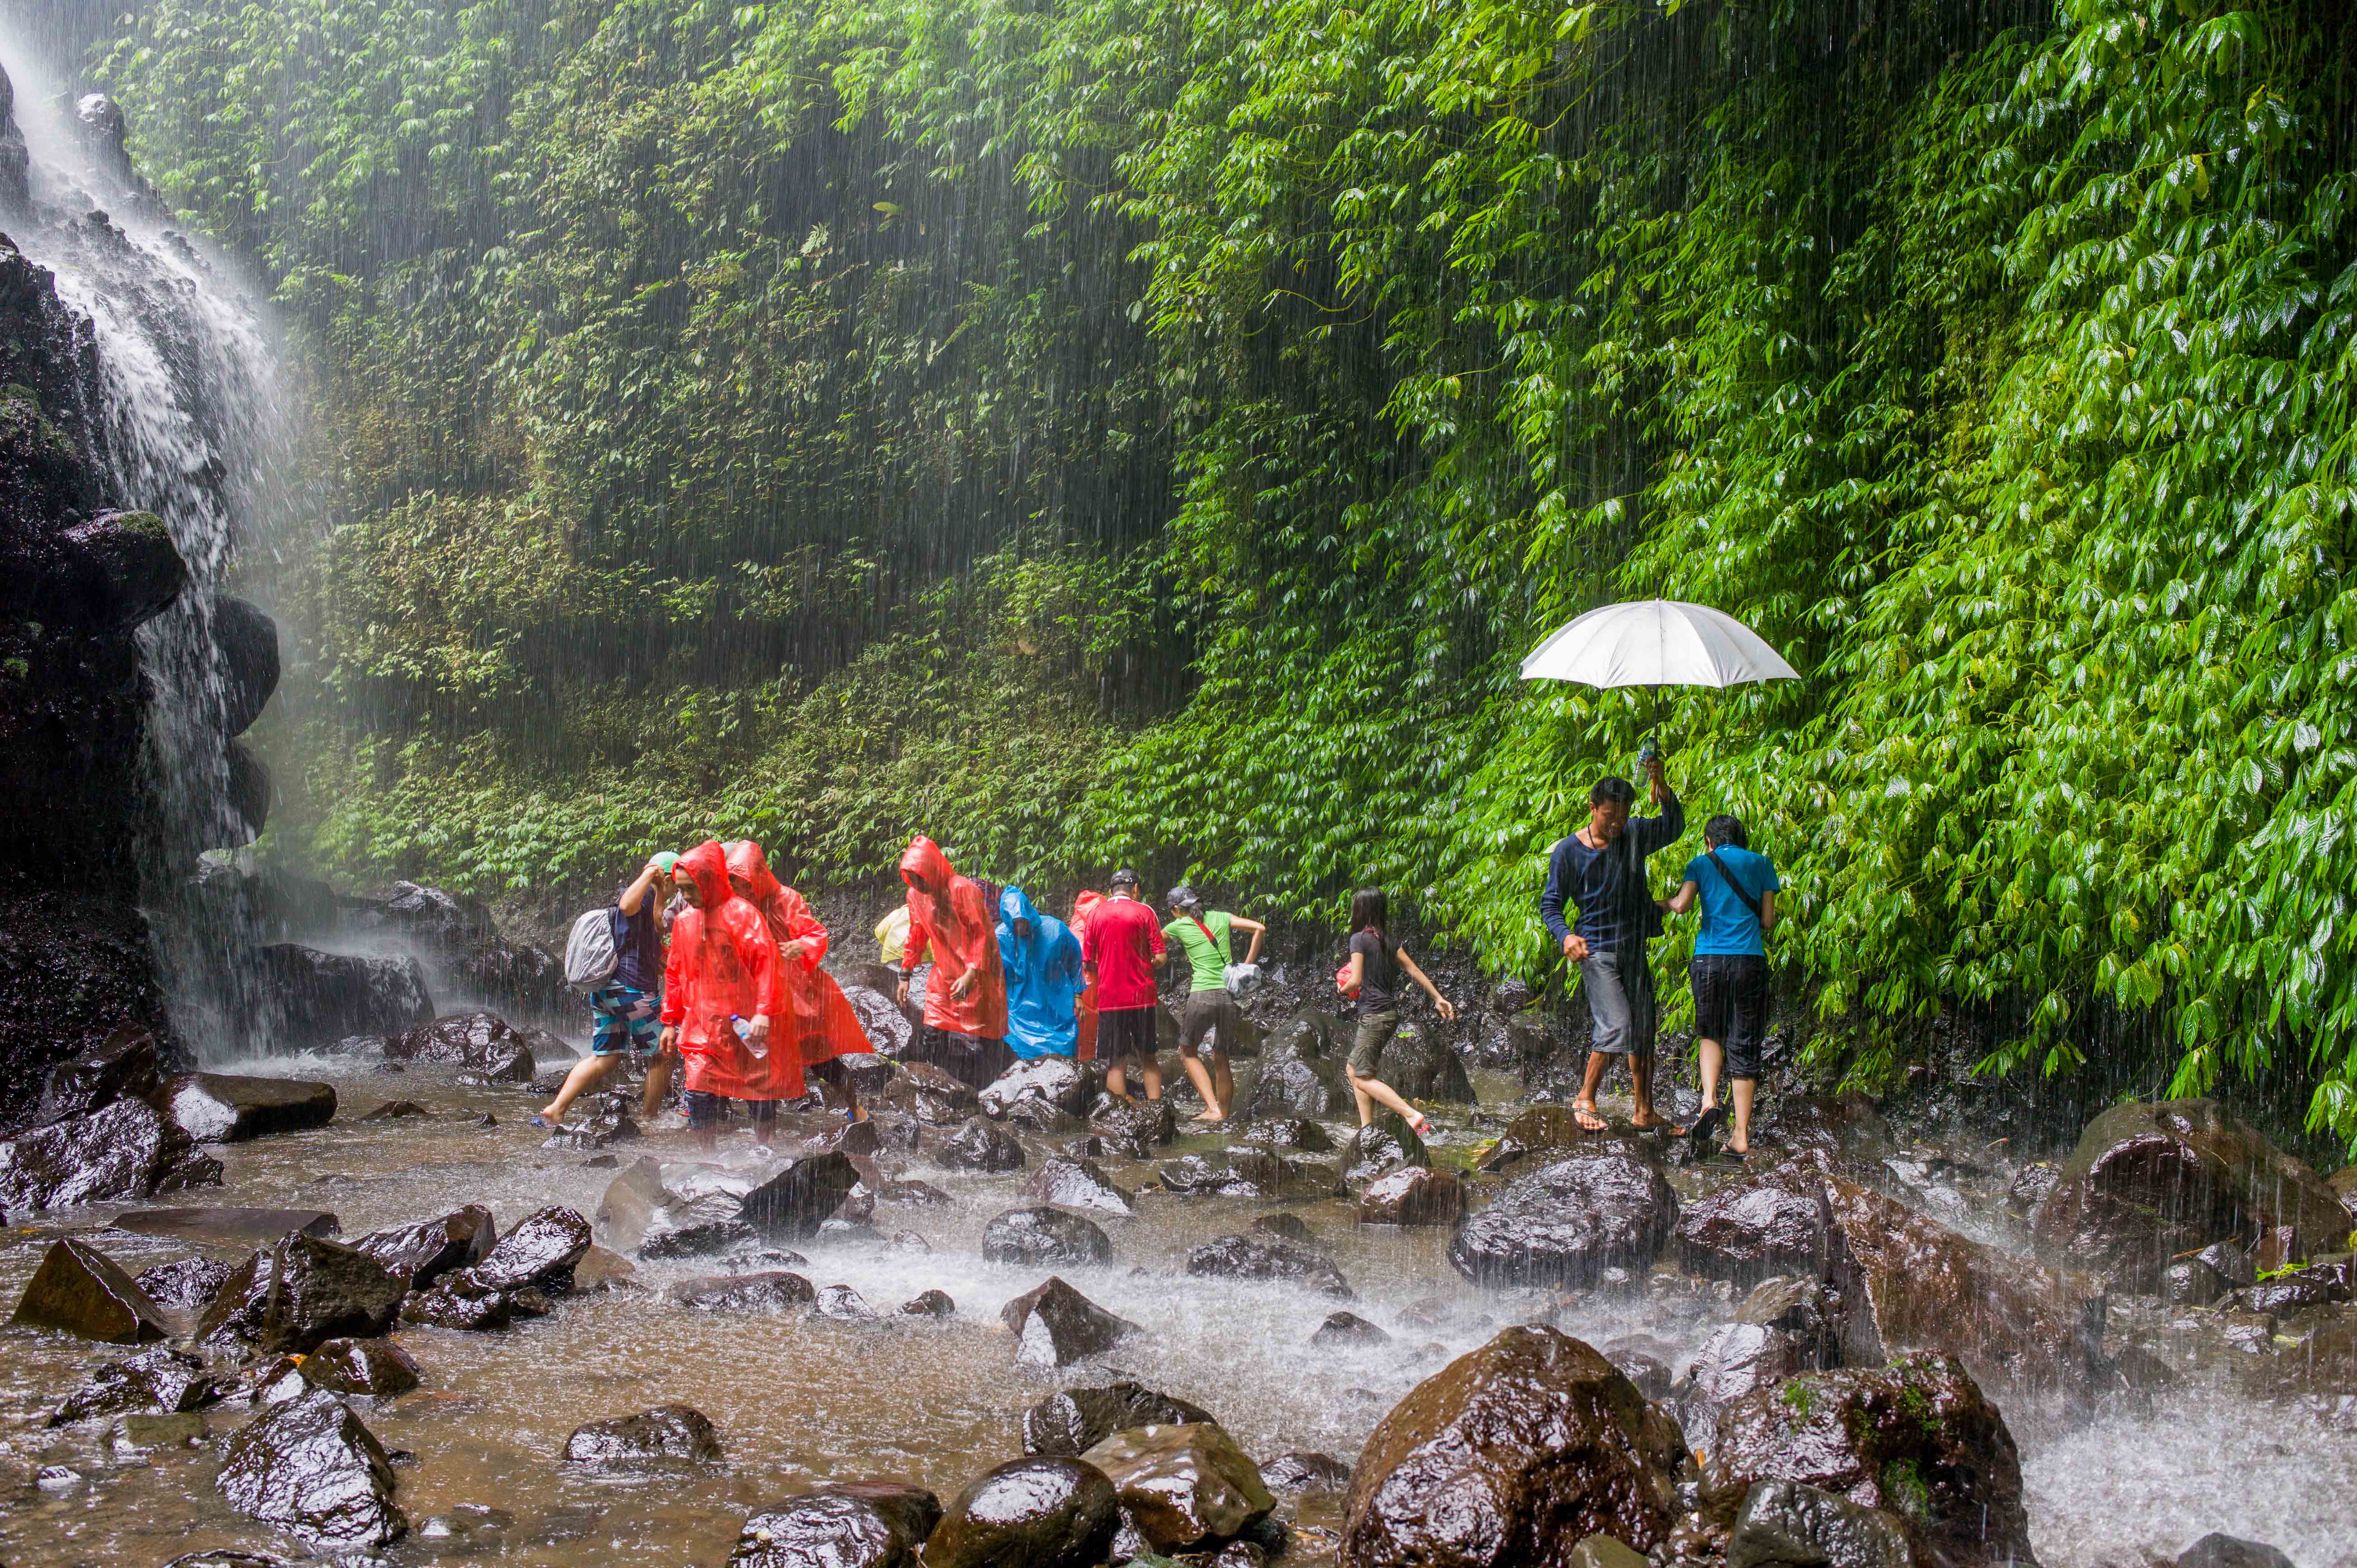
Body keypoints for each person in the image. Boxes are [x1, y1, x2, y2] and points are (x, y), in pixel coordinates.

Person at [1538, 757, 1686, 1133]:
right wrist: (1566, 935)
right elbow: (1551, 904)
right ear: (1593, 808)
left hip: (1633, 945)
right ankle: (1585, 1098)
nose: (1617, 823)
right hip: (1597, 948)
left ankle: (1644, 1111)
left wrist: (1662, 788)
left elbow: (1674, 827)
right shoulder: (1570, 852)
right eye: (1610, 816)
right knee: (1618, 1023)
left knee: (1644, 1029)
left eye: (1623, 815)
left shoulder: (1634, 834)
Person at [725, 840, 876, 1124]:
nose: (740, 889)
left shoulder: (786, 899)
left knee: (822, 1059)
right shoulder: (736, 906)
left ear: (757, 877)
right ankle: (760, 1131)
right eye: (734, 882)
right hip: (756, 991)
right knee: (756, 1057)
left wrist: (801, 946)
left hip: (797, 993)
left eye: (744, 883)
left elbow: (815, 934)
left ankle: (855, 1108)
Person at [658, 839, 788, 1152]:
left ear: (710, 881)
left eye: (691, 889)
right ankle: (709, 1156)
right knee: (698, 1089)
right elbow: (675, 972)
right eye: (681, 890)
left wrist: (763, 1012)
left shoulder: (743, 915)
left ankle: (766, 1149)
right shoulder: (685, 921)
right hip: (702, 1022)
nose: (686, 897)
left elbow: (766, 965)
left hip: (745, 1018)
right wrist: (669, 1022)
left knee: (759, 1087)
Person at [1662, 813, 1780, 1157]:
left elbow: (1681, 906)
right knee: (1745, 1042)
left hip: (1710, 960)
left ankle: (1709, 1100)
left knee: (1711, 1033)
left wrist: (1658, 904)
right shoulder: (1762, 864)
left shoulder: (1701, 863)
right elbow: (1768, 921)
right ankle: (1740, 1137)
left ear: (1709, 841)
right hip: (1749, 961)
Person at [534, 852, 672, 1130]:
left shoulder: (651, 899)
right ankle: (650, 1119)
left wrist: (660, 891)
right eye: (677, 885)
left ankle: (555, 1110)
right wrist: (650, 875)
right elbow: (627, 906)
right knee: (662, 1053)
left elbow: (658, 926)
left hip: (607, 992)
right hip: (632, 991)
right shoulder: (640, 895)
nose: (678, 891)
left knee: (605, 1057)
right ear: (667, 878)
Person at [895, 835, 1013, 1089]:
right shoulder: (915, 896)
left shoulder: (962, 889)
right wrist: (905, 974)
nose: (917, 885)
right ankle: (936, 1084)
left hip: (980, 973)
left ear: (933, 870)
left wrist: (972, 972)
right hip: (945, 972)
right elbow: (916, 933)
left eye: (920, 878)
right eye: (912, 879)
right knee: (932, 1029)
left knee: (980, 1034)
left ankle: (988, 1089)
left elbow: (981, 934)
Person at [1336, 888, 1456, 1135]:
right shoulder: (1389, 942)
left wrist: (1341, 989)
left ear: (1360, 911)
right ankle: (1367, 1128)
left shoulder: (1359, 939)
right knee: (1354, 1070)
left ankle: (1411, 1115)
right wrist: (1438, 998)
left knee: (1361, 1077)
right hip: (1388, 1015)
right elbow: (1415, 971)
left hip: (1374, 1016)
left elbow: (1355, 981)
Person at [1161, 884, 1265, 1123]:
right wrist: (1245, 966)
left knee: (1187, 1051)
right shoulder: (1221, 917)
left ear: (1176, 909)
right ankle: (1224, 1115)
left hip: (1202, 995)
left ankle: (1213, 1109)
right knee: (1221, 1055)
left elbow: (1150, 942)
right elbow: (1259, 928)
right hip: (1230, 998)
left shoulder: (1178, 926)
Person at [1080, 869, 1165, 1103]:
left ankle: (1118, 1113)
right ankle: (1156, 1107)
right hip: (1142, 998)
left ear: (1111, 891)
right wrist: (1145, 965)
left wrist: (1108, 969)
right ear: (1135, 889)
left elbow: (1087, 962)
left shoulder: (1096, 915)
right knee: (1149, 1057)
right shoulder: (1146, 912)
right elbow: (1161, 957)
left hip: (1111, 998)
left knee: (1116, 1061)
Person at [997, 885, 1085, 1059]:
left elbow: (1075, 960)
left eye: (1022, 921)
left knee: (1061, 1055)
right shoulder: (1002, 938)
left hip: (1056, 1002)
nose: (1019, 927)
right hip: (1019, 1009)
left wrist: (1078, 995)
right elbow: (995, 975)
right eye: (1014, 923)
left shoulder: (1055, 930)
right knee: (1020, 1059)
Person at [1070, 889, 1104, 1062]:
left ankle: (1078, 1060)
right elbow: (1089, 960)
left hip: (1076, 985)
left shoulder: (1075, 926)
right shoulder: (1098, 925)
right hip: (1090, 983)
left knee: (1080, 1023)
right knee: (1090, 1024)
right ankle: (1088, 1060)